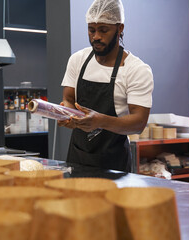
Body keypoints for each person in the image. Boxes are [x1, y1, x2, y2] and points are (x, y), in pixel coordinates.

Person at [59, 0, 154, 172]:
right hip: (77, 157)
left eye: (103, 30)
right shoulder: (78, 60)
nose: (96, 36)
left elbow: (139, 122)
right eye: (91, 29)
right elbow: (68, 98)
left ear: (120, 28)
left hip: (114, 163)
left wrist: (100, 121)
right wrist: (69, 115)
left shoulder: (136, 69)